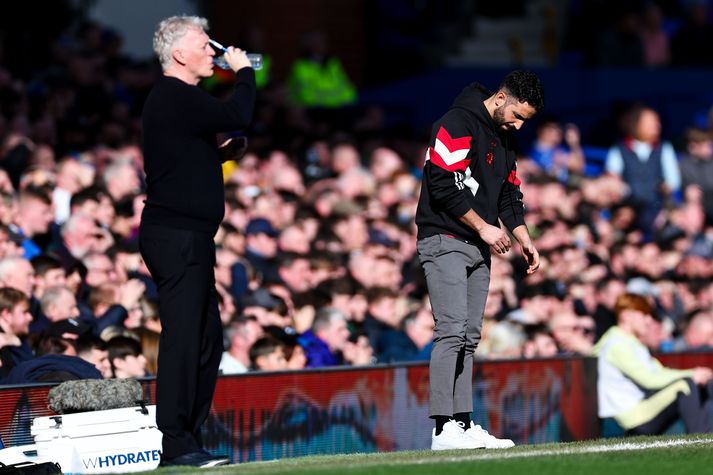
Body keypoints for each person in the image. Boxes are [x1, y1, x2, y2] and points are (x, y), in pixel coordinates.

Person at [138, 15, 255, 468]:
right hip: (177, 236)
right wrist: (243, 71)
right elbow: (237, 113)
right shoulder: (174, 95)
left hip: (190, 237)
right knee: (186, 340)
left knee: (207, 340)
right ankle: (175, 442)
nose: (214, 51)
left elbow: (182, 156)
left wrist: (218, 154)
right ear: (179, 54)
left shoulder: (180, 101)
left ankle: (189, 435)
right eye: (205, 45)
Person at [415, 70, 544, 450]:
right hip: (444, 237)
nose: (519, 125)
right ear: (501, 98)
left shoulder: (504, 141)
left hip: (478, 244)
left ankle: (462, 421)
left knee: (469, 338)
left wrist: (524, 239)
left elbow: (509, 196)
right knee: (451, 331)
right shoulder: (457, 122)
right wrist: (485, 227)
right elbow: (441, 183)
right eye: (518, 115)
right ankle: (442, 428)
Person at [594, 293, 713, 435]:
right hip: (632, 417)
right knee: (685, 385)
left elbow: (660, 373)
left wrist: (696, 374)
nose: (649, 320)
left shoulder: (631, 342)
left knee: (703, 383)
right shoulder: (617, 344)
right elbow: (649, 380)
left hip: (643, 409)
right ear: (626, 316)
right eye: (644, 314)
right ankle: (701, 439)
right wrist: (692, 374)